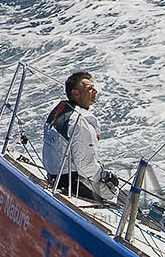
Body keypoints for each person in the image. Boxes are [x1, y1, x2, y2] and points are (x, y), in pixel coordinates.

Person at [42, 71, 119, 201]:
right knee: (117, 197)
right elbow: (85, 167)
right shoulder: (79, 121)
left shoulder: (58, 111)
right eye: (90, 89)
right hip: (72, 183)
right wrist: (105, 178)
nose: (95, 91)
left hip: (54, 175)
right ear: (75, 93)